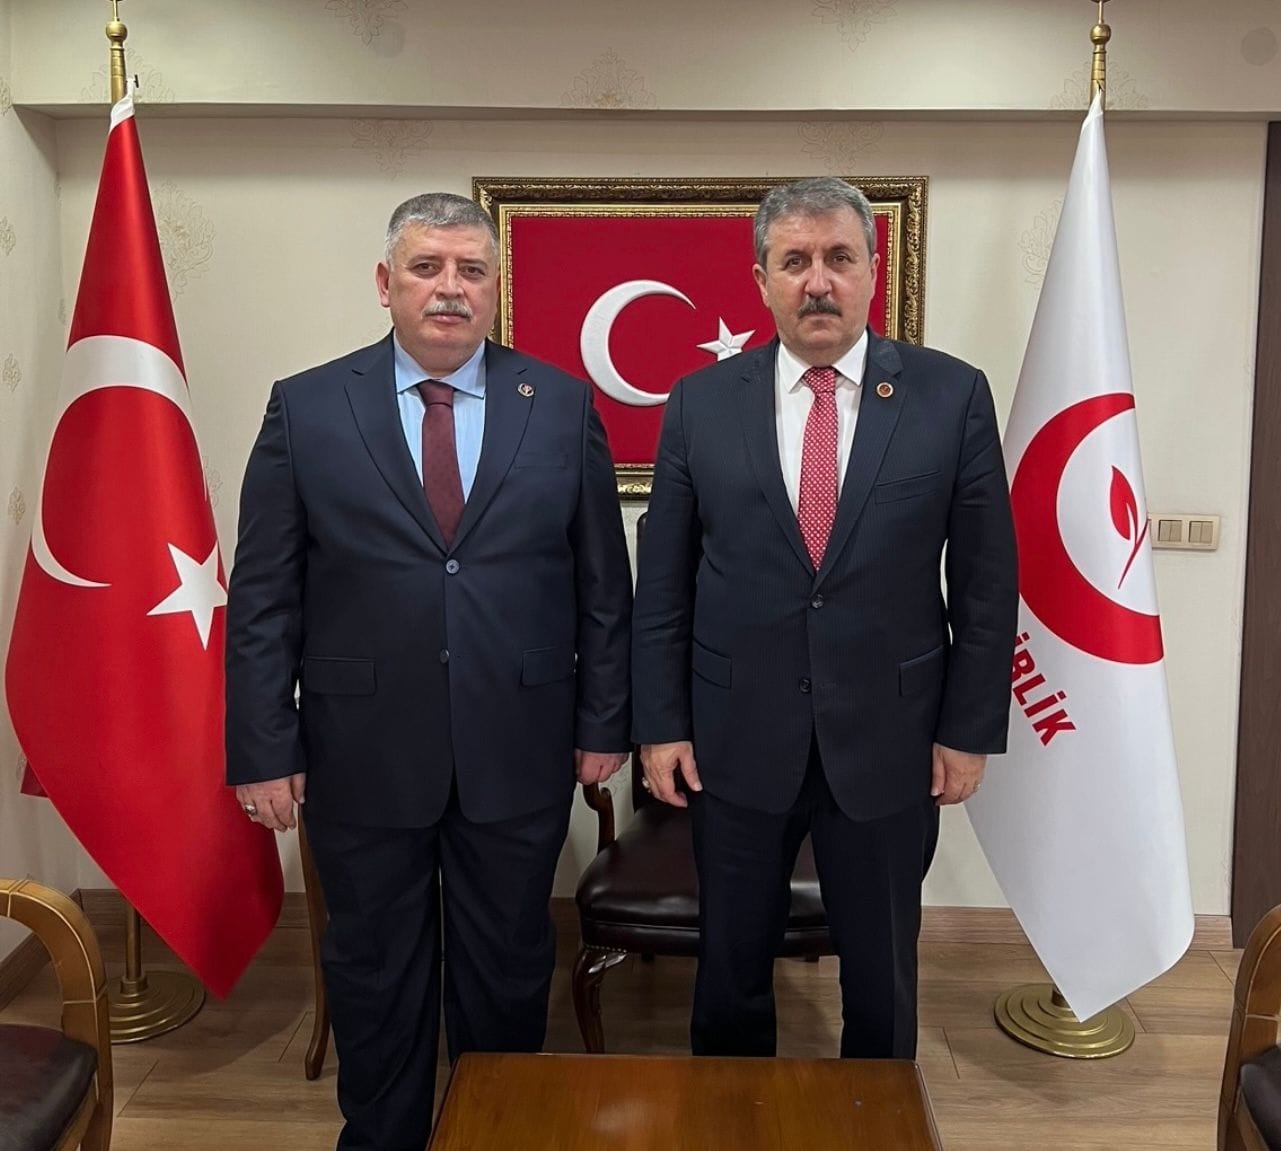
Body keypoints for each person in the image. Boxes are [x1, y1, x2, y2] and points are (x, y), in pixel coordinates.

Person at [225, 192, 632, 1150]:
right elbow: (265, 595)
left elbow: (602, 585)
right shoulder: (307, 406)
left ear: (494, 287)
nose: (450, 288)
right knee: (374, 969)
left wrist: (603, 721)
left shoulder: (560, 402)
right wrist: (263, 746)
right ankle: (383, 1135)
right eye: (426, 267)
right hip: (359, 750)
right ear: (386, 283)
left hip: (519, 744)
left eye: (471, 270)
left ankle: (496, 1130)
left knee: (509, 964)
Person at [632, 176, 1018, 1061]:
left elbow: (986, 583)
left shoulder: (949, 395)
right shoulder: (699, 401)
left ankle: (874, 1114)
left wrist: (966, 731)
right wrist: (659, 725)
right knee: (730, 970)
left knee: (880, 977)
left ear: (872, 271)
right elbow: (664, 586)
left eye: (839, 258)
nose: (817, 281)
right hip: (733, 736)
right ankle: (732, 1114)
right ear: (761, 279)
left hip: (890, 737)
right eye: (794, 261)